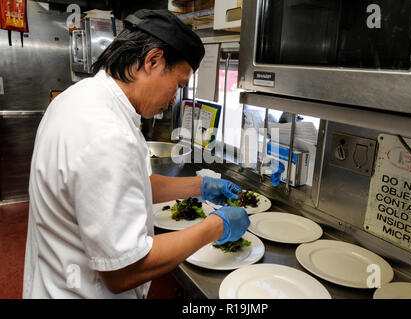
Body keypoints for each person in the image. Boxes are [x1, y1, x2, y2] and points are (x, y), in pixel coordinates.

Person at [23, 9, 250, 299]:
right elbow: (124, 272)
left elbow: (128, 186)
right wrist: (216, 226)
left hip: (54, 279)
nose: (173, 101)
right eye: (178, 85)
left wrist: (201, 186)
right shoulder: (107, 134)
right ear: (152, 61)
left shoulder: (78, 97)